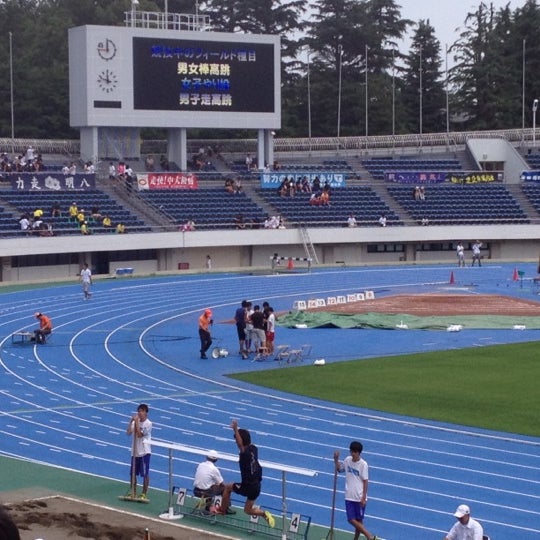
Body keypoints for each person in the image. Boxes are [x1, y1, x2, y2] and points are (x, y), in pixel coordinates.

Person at [217, 420, 275, 528]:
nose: (235, 442)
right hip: (257, 486)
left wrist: (235, 428)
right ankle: (264, 514)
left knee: (227, 488)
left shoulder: (245, 453)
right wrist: (240, 432)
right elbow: (244, 440)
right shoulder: (254, 448)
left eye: (236, 439)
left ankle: (222, 510)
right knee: (247, 510)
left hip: (248, 486)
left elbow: (240, 444)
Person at [334, 441, 379, 540]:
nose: (352, 454)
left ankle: (361, 538)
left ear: (359, 453)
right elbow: (339, 469)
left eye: (354, 452)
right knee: (351, 519)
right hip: (349, 495)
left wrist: (363, 497)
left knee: (359, 521)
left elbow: (365, 481)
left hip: (359, 497)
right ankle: (369, 536)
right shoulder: (347, 460)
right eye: (351, 451)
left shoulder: (363, 464)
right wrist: (336, 459)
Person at [126, 403, 152, 500]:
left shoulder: (148, 424)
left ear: (146, 413)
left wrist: (136, 422)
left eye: (141, 411)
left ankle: (144, 493)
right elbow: (128, 432)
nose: (139, 413)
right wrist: (130, 422)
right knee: (132, 473)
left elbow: (140, 435)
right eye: (138, 411)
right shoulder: (134, 422)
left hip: (144, 452)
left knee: (145, 474)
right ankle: (133, 491)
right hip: (135, 452)